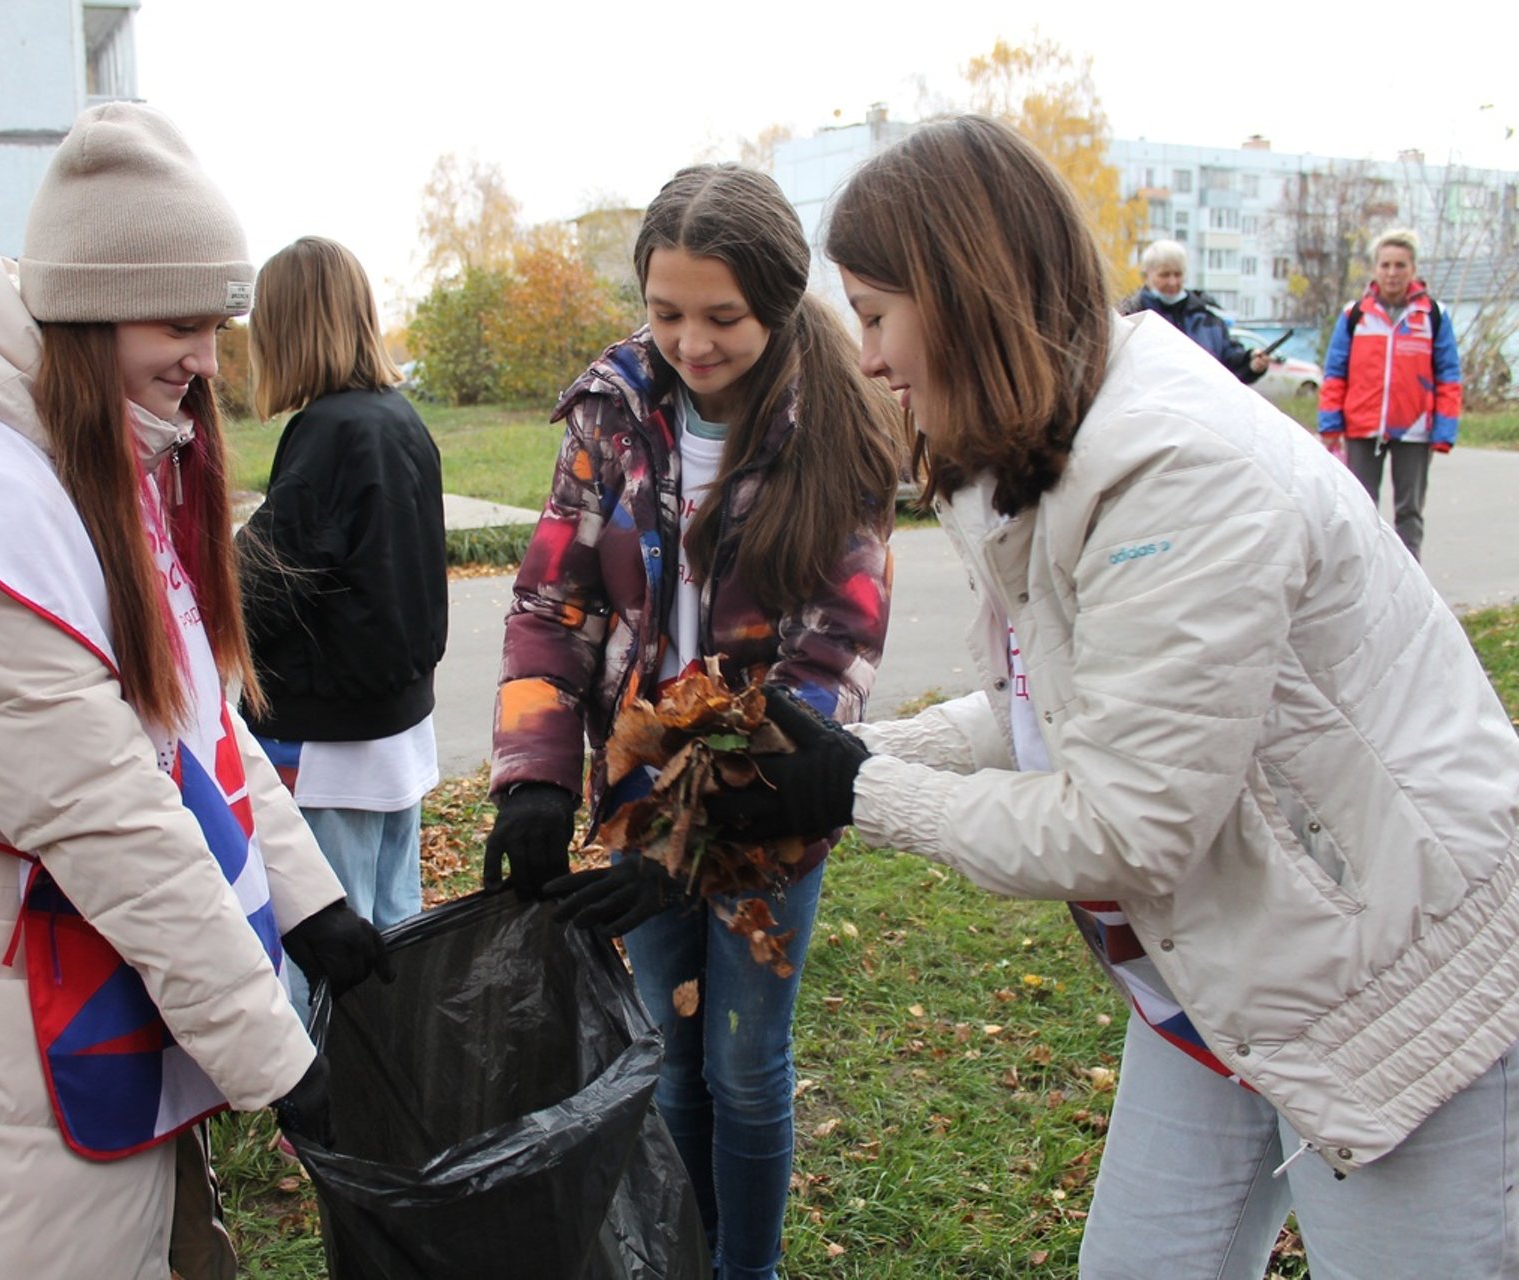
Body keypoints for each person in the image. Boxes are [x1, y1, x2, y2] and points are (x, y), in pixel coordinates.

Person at [706, 114, 1519, 1279]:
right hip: (1225, 972)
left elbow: (1127, 823)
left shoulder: (1173, 472)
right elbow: (1062, 709)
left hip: (1392, 984)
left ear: (965, 294)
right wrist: (856, 751)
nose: (870, 357)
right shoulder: (1052, 443)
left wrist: (855, 791)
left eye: (877, 315)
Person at [0, 103, 389, 1279]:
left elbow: (188, 711)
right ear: (91, 312)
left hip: (66, 1019)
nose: (207, 362)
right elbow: (105, 811)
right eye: (181, 325)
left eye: (216, 327)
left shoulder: (73, 453)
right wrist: (280, 1061)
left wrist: (311, 903)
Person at [486, 163, 905, 1279]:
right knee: (671, 1055)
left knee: (745, 1066)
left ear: (779, 299)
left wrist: (697, 835)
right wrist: (535, 777)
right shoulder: (614, 412)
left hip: (769, 810)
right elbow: (552, 603)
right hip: (638, 801)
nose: (690, 341)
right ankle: (689, 1260)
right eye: (665, 311)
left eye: (721, 316)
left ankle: (745, 1269)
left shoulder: (841, 432)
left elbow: (829, 663)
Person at [237, 235, 448, 1002]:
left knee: (326, 964)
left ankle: (336, 1084)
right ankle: (402, 1072)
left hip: (329, 742)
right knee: (394, 940)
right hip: (396, 731)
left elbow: (262, 586)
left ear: (285, 328)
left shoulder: (328, 432)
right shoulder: (399, 419)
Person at [1318, 227, 1462, 560]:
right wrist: (1330, 423)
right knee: (1359, 507)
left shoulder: (1432, 316)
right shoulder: (1355, 315)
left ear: (1413, 269)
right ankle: (1363, 576)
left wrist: (1444, 430)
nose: (1392, 273)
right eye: (1385, 265)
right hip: (1361, 427)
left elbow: (1448, 375)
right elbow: (1335, 372)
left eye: (1400, 265)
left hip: (1414, 429)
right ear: (1375, 269)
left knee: (1409, 511)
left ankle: (1410, 578)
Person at [1120, 239, 1269, 384]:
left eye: (1178, 274)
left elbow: (1228, 366)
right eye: (1164, 275)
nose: (1173, 282)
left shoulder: (1207, 317)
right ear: (1146, 276)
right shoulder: (1130, 318)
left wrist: (1250, 363)